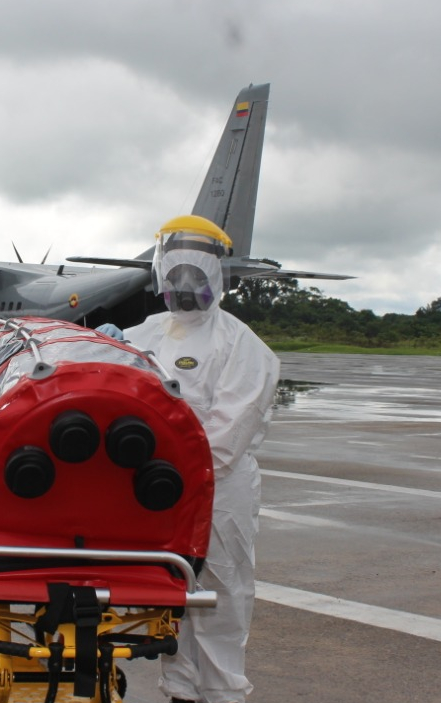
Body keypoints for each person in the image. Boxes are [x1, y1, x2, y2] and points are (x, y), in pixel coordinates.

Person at [120, 215, 280, 703]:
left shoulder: (243, 346)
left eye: (195, 277)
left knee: (221, 590)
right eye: (174, 277)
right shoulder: (143, 333)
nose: (183, 289)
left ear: (218, 278)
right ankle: (181, 687)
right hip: (156, 485)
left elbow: (228, 434)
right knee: (170, 588)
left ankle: (221, 692)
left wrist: (167, 466)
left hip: (217, 489)